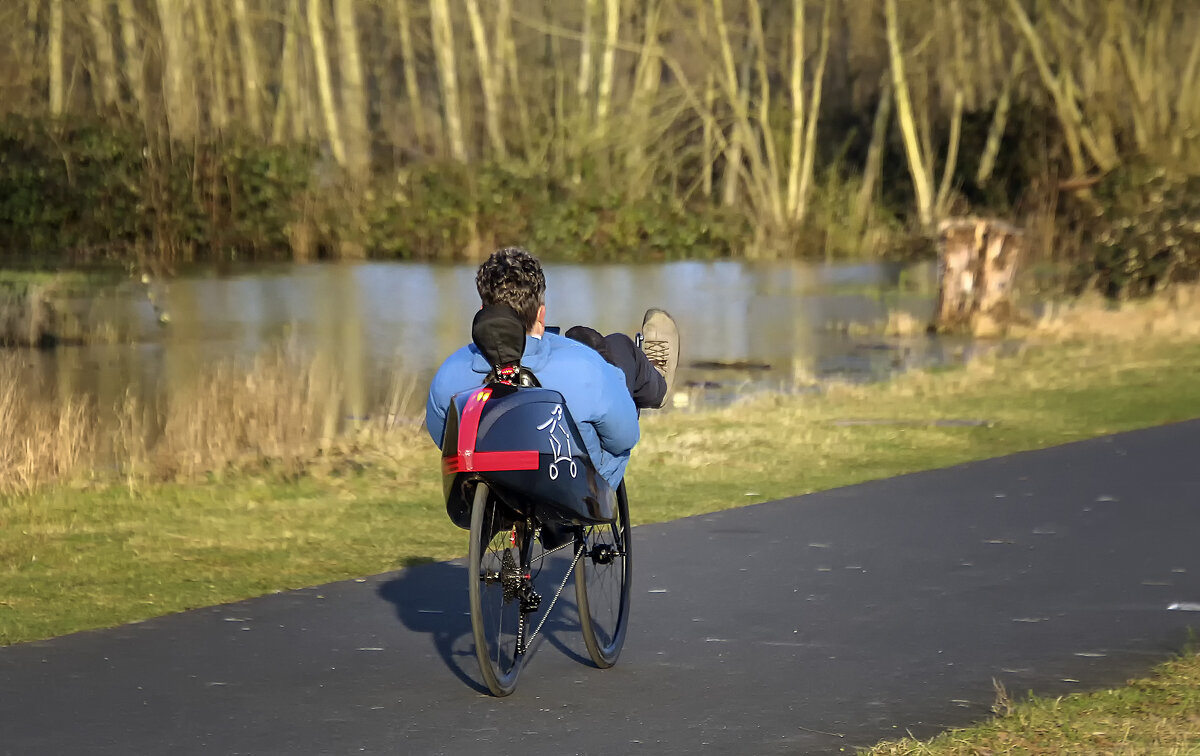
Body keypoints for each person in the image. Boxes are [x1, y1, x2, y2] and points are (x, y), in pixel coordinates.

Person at [425, 246, 679, 490]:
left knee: (586, 344)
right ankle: (656, 382)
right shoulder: (584, 369)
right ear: (541, 314)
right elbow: (624, 438)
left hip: (482, 484)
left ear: (483, 310)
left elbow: (444, 441)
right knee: (617, 347)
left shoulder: (448, 373)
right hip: (576, 486)